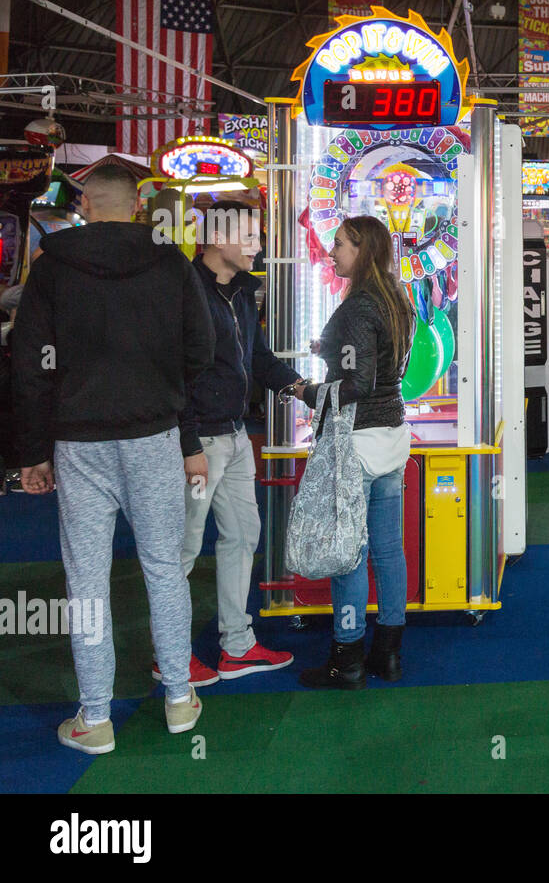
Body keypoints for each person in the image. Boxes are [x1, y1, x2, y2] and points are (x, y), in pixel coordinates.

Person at [11, 164, 215, 753]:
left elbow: (30, 367)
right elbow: (199, 349)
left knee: (87, 583)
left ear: (87, 205)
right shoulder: (171, 263)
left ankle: (94, 718)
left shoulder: (51, 268)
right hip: (152, 434)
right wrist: (170, 405)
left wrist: (33, 452)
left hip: (78, 443)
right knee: (163, 569)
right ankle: (180, 698)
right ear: (135, 207)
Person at [173, 200, 303, 686]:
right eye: (250, 236)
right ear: (217, 238)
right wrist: (188, 446)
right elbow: (174, 377)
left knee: (243, 537)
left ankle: (237, 645)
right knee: (180, 552)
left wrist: (302, 388)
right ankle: (170, 655)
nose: (259, 245)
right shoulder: (183, 293)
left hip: (233, 433)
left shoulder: (243, 293)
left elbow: (260, 358)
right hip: (197, 442)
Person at [295, 215, 416, 689]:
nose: (332, 250)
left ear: (362, 250)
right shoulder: (395, 297)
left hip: (356, 444)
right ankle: (388, 654)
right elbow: (378, 365)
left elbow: (357, 384)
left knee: (348, 552)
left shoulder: (358, 306)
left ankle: (346, 659)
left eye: (341, 244)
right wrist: (330, 347)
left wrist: (305, 390)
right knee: (388, 551)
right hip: (391, 435)